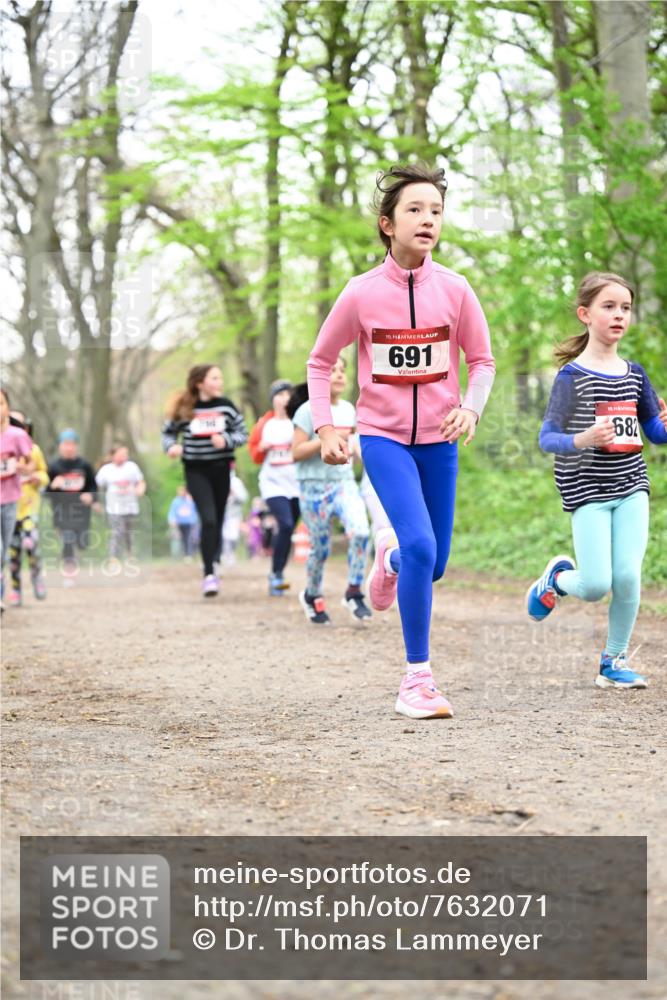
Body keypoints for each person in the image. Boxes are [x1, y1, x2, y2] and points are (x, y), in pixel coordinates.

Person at [306, 163, 495, 716]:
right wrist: (325, 426)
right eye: (415, 209)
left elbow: (481, 361)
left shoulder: (456, 291)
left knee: (431, 562)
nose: (427, 219)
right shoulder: (361, 293)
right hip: (384, 438)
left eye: (435, 210)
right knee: (421, 546)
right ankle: (417, 680)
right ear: (388, 224)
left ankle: (386, 563)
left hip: (439, 440)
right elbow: (320, 362)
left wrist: (470, 408)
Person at [526, 271, 667, 689]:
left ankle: (613, 661)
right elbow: (547, 438)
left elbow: (653, 433)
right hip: (586, 490)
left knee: (627, 576)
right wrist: (583, 438)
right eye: (609, 306)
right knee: (595, 585)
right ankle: (556, 580)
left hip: (631, 487)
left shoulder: (635, 374)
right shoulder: (572, 377)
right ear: (585, 314)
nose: (619, 315)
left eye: (625, 307)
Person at [291, 360, 372, 625]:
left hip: (343, 482)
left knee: (361, 532)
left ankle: (354, 591)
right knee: (320, 548)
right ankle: (312, 594)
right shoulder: (307, 410)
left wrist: (363, 454)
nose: (338, 375)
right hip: (313, 485)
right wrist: (324, 439)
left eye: (342, 370)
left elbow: (354, 445)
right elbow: (296, 452)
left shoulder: (350, 410)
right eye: (331, 370)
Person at [161, 364, 248, 597]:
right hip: (195, 470)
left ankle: (214, 559)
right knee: (208, 519)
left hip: (221, 469)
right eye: (215, 378)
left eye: (220, 377)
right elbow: (168, 433)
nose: (220, 382)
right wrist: (172, 447)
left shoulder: (227, 406)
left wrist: (227, 439)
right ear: (200, 383)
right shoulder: (185, 407)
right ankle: (209, 574)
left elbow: (243, 434)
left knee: (218, 519)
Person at [248, 379, 301, 596]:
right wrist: (261, 447)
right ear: (273, 399)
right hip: (272, 484)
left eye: (288, 395)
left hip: (296, 484)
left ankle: (277, 573)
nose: (284, 399)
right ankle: (277, 573)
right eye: (280, 395)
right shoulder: (264, 424)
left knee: (290, 527)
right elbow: (255, 455)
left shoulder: (299, 422)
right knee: (286, 524)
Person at [46, 429, 97, 585]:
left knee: (82, 543)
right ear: (60, 446)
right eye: (65, 444)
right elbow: (45, 492)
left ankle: (75, 555)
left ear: (76, 446)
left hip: (81, 512)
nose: (69, 448)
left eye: (72, 444)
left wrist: (91, 496)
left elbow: (93, 487)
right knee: (68, 539)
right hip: (62, 511)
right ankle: (69, 572)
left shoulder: (85, 466)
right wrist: (53, 486)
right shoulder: (54, 466)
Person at [8, 410, 48, 605]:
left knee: (30, 545)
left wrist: (36, 478)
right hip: (9, 510)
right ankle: (15, 590)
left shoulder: (34, 451)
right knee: (13, 553)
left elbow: (44, 475)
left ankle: (37, 577)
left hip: (29, 508)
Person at [0, 389, 34, 611]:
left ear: (7, 408)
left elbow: (31, 464)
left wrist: (22, 467)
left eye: (0, 403)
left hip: (10, 499)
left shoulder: (17, 435)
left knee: (3, 552)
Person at [95, 443, 146, 561]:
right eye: (121, 454)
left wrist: (140, 490)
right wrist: (96, 501)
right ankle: (113, 557)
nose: (124, 457)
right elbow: (96, 486)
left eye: (125, 454)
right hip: (114, 507)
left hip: (130, 505)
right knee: (117, 530)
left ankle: (129, 554)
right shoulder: (106, 470)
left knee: (128, 531)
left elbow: (141, 482)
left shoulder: (132, 467)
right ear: (113, 455)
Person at [221, 465, 248, 566]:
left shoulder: (236, 482)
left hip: (234, 513)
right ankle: (223, 554)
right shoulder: (218, 478)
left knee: (233, 535)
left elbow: (244, 497)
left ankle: (231, 554)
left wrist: (234, 494)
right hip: (221, 512)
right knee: (222, 535)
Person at [167, 485, 198, 560]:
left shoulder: (190, 500)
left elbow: (195, 510)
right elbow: (172, 511)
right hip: (180, 523)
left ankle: (189, 554)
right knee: (183, 539)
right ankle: (185, 554)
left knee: (190, 538)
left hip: (190, 522)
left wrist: (194, 520)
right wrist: (171, 520)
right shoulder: (176, 501)